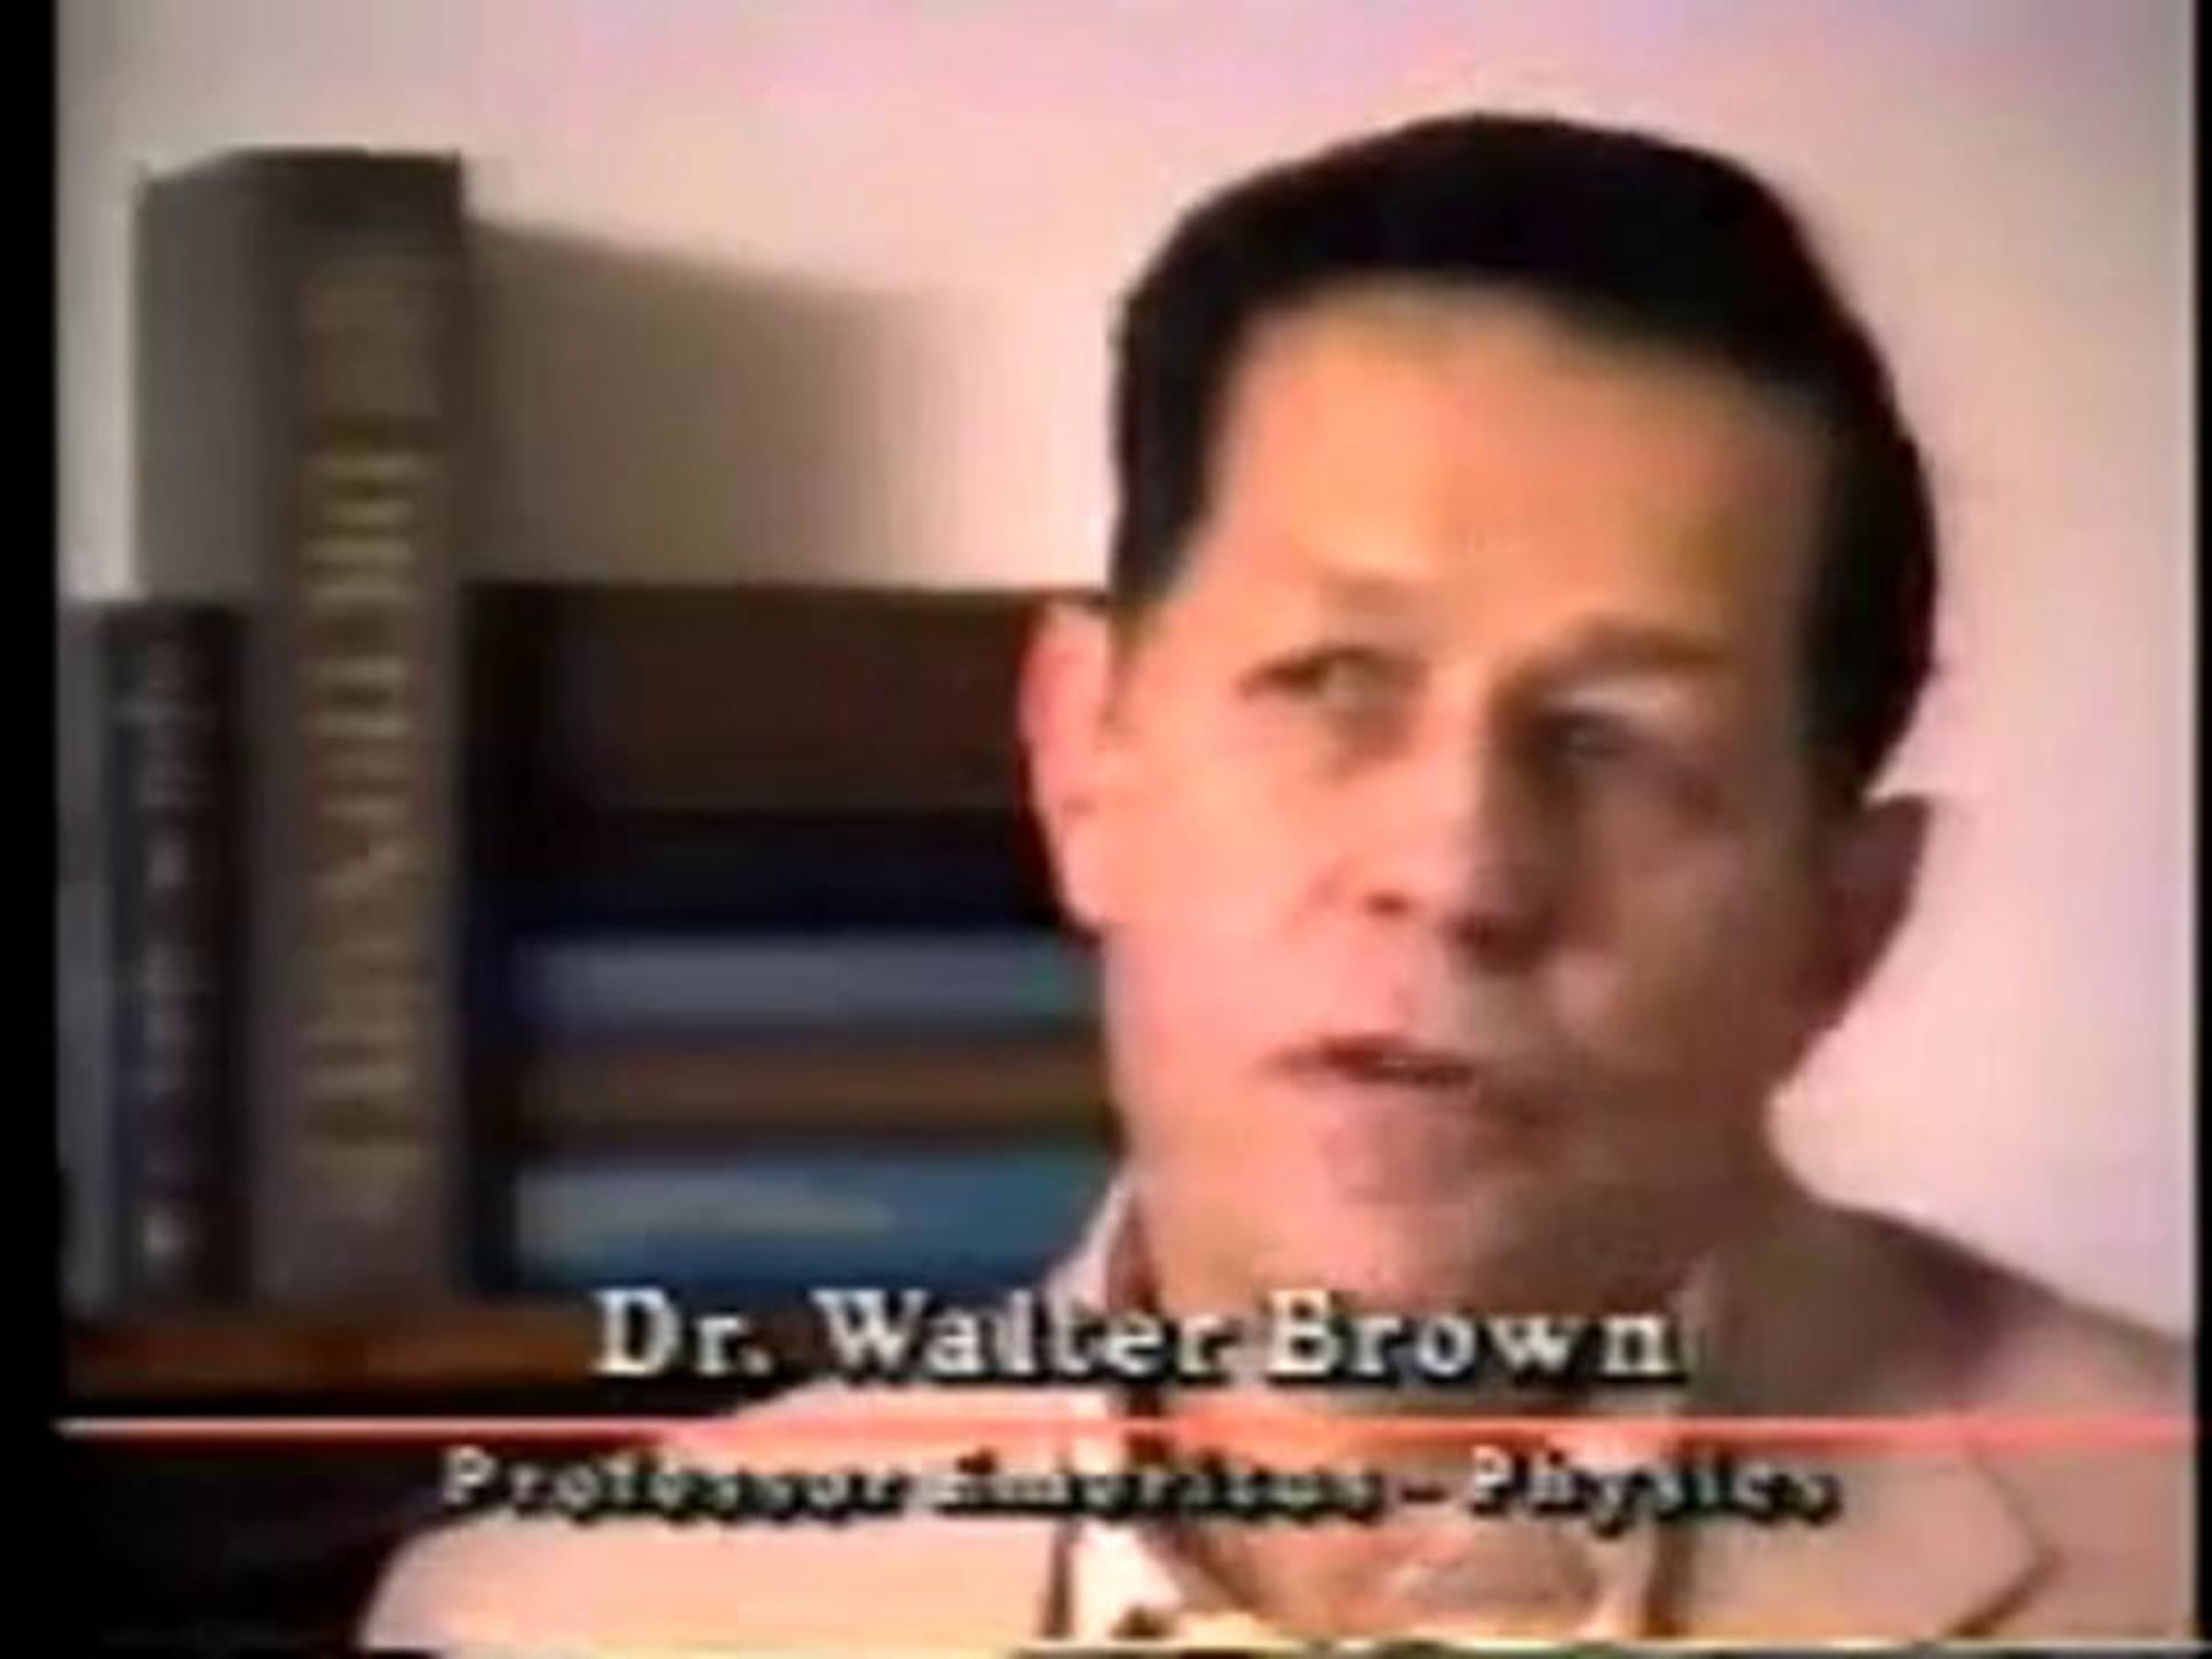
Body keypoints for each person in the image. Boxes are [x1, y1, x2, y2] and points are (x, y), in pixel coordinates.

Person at [365, 112, 2191, 1647]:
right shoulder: (555, 1623)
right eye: (1331, 683)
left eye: (1615, 741)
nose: (1456, 870)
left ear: (1841, 929)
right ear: (1085, 760)